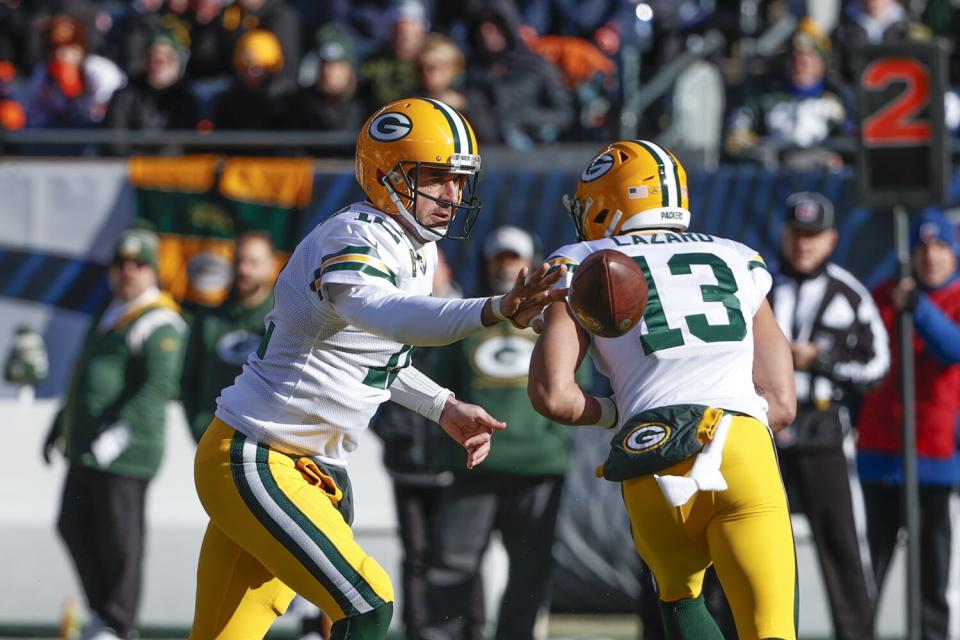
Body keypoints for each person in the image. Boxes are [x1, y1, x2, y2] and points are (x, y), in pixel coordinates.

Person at [188, 97, 568, 640]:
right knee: (367, 605)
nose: (452, 194)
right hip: (260, 457)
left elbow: (375, 353)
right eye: (436, 176)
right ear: (387, 174)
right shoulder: (353, 236)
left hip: (305, 466)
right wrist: (496, 307)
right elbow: (391, 317)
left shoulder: (413, 248)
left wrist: (442, 405)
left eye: (459, 180)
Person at [527, 139, 798, 640]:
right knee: (771, 629)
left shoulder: (583, 260)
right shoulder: (737, 257)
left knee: (679, 600)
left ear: (610, 200)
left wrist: (621, 411)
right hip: (741, 442)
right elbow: (780, 402)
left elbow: (553, 395)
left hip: (651, 447)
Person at [423, 226, 587, 640]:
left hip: (540, 467)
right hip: (473, 466)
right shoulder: (467, 319)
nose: (508, 266)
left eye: (514, 258)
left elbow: (575, 391)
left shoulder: (560, 325)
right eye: (499, 258)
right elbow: (440, 393)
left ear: (532, 263)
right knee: (452, 565)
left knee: (530, 572)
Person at [42, 229, 188, 640]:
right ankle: (100, 611)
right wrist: (60, 425)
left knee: (121, 537)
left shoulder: (161, 320)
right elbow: (83, 376)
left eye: (138, 263)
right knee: (73, 524)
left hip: (127, 452)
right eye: (120, 263)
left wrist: (118, 435)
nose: (128, 271)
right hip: (85, 448)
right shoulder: (111, 311)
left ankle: (120, 623)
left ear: (153, 270)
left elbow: (157, 388)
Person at [770, 192, 888, 640]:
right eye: (797, 234)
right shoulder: (757, 286)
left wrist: (822, 359)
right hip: (765, 428)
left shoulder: (848, 293)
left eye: (814, 236)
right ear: (784, 234)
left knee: (842, 545)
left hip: (823, 428)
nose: (804, 245)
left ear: (832, 239)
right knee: (741, 534)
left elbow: (877, 366)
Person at [856, 209, 960, 640]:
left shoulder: (950, 300)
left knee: (931, 576)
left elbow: (952, 349)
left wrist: (919, 310)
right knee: (867, 576)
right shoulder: (881, 296)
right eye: (922, 247)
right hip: (879, 454)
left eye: (940, 247)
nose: (930, 256)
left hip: (934, 459)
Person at [368, 248, 481, 640]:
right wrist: (391, 430)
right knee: (416, 556)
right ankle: (419, 629)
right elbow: (376, 374)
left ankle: (470, 628)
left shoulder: (466, 317)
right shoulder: (388, 313)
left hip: (454, 460)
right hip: (408, 462)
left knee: (460, 555)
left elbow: (476, 382)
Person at [180, 231, 278, 442]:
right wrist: (199, 427)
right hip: (214, 441)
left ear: (272, 266)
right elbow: (188, 380)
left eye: (253, 262)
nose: (244, 269)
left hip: (267, 446)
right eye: (239, 261)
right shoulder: (208, 320)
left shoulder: (286, 320)